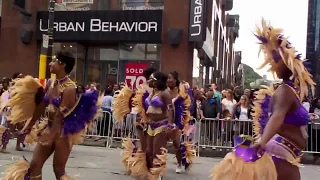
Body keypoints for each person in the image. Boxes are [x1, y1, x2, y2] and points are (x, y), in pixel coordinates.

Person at [211, 19, 316, 180]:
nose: (273, 63)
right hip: (280, 153)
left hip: (288, 154)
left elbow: (288, 117)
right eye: (272, 59)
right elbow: (277, 117)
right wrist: (262, 141)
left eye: (276, 58)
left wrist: (310, 116)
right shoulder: (284, 91)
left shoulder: (289, 91)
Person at [1, 51, 101, 179]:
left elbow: (60, 115)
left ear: (63, 64)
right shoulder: (50, 83)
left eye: (54, 61)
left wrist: (52, 136)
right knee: (35, 166)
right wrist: (29, 125)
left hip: (63, 133)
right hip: (49, 127)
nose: (50, 64)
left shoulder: (70, 88)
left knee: (58, 170)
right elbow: (42, 106)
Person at [167, 71, 195, 173]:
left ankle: (179, 163)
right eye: (167, 78)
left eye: (170, 78)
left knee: (176, 143)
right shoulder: (165, 90)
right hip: (166, 119)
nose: (168, 80)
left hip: (178, 120)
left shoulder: (182, 89)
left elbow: (189, 102)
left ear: (175, 79)